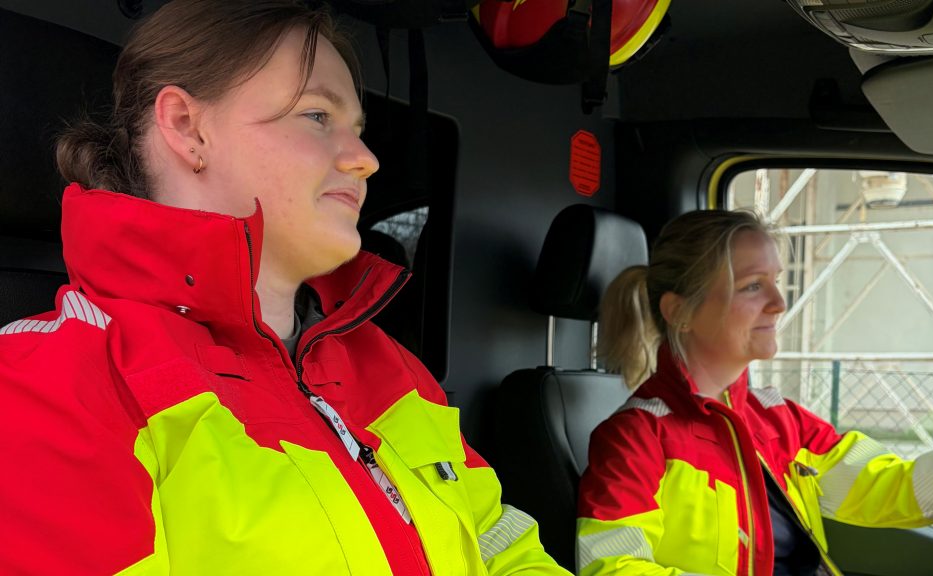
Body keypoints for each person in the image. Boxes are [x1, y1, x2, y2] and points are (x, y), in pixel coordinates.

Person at [0, 1, 567, 574]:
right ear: (186, 127)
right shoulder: (55, 382)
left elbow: (503, 548)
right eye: (318, 116)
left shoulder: (392, 368)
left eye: (358, 130)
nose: (366, 160)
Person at [575, 209, 933, 575]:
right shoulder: (636, 438)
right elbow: (614, 567)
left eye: (776, 279)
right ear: (681, 311)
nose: (780, 301)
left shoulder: (778, 419)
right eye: (753, 286)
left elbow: (894, 487)